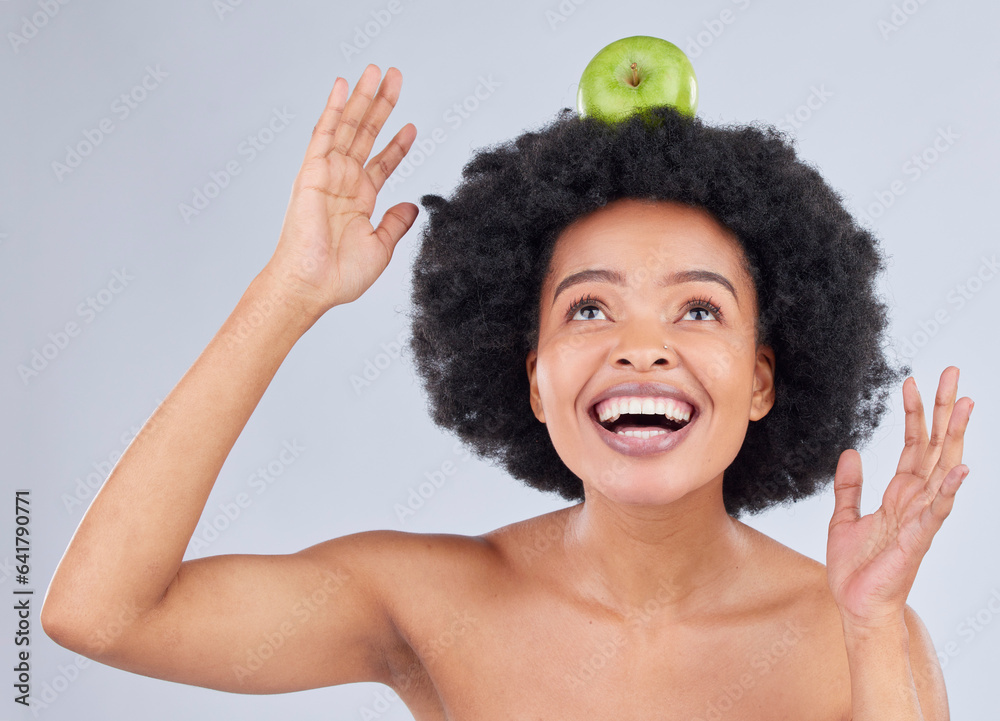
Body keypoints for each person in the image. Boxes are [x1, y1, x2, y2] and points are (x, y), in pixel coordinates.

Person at [42, 64, 973, 720]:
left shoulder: (856, 631)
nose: (642, 349)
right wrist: (289, 293)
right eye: (589, 309)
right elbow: (103, 613)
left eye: (696, 311)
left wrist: (870, 628)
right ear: (532, 378)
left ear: (763, 378)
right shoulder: (428, 602)